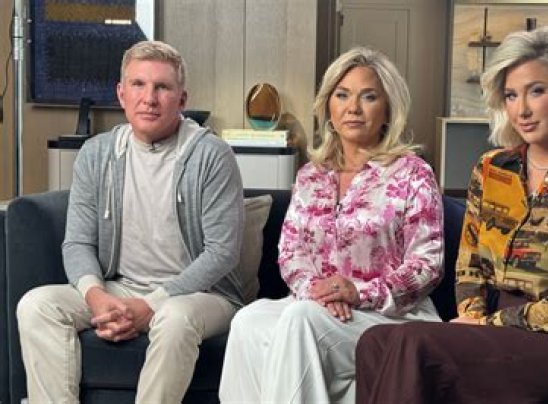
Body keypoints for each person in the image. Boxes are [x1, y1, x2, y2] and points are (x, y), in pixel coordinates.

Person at [355, 25, 548, 403]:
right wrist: (473, 318)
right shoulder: (491, 169)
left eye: (536, 91)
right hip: (496, 331)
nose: (522, 110)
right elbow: (469, 266)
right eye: (511, 95)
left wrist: (487, 323)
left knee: (413, 343)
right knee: (374, 341)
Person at [16, 40, 251, 403]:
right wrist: (95, 296)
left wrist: (152, 304)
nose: (149, 98)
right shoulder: (96, 153)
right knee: (36, 305)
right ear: (121, 93)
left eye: (162, 87)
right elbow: (78, 242)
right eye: (138, 84)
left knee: (174, 319)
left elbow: (222, 252)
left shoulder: (211, 155)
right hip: (120, 288)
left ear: (182, 99)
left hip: (200, 296)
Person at [218, 46, 444, 403]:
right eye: (342, 95)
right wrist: (317, 293)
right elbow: (291, 252)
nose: (353, 108)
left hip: (393, 315)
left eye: (368, 97)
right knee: (249, 320)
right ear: (328, 105)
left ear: (388, 108)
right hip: (318, 307)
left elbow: (427, 266)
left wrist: (358, 292)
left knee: (301, 319)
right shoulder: (311, 175)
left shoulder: (413, 173)